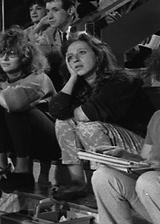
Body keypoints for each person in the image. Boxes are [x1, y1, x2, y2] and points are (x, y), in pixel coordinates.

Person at [48, 32, 155, 201]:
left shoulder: (121, 80)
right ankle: (77, 182)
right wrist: (72, 78)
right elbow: (57, 111)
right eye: (70, 57)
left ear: (98, 56)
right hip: (113, 143)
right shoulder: (79, 85)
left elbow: (87, 114)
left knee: (87, 125)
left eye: (82, 53)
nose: (75, 59)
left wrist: (74, 112)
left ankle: (111, 183)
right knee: (64, 121)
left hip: (142, 148)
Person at [86, 47, 160, 224]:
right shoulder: (157, 117)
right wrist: (123, 155)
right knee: (104, 176)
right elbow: (147, 160)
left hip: (154, 186)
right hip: (154, 193)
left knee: (149, 180)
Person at [0, 26, 59, 197]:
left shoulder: (38, 78)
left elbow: (14, 103)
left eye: (11, 53)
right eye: (1, 54)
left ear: (25, 56)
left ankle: (23, 171)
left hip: (49, 141)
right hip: (20, 141)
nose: (5, 58)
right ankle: (2, 170)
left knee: (14, 109)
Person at [39, 0, 77, 90]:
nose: (49, 16)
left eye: (55, 10)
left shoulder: (83, 30)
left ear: (70, 10)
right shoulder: (48, 34)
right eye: (48, 11)